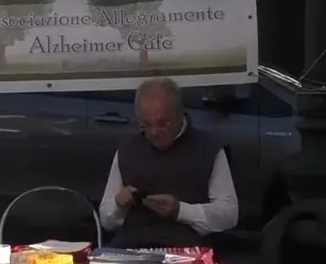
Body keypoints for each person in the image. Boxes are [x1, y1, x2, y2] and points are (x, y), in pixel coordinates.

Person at [98, 77, 239, 248]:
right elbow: (106, 219)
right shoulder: (128, 148)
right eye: (146, 125)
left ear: (180, 115)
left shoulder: (209, 148)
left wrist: (180, 211)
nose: (154, 132)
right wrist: (119, 205)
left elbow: (229, 214)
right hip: (132, 248)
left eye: (163, 124)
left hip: (185, 249)